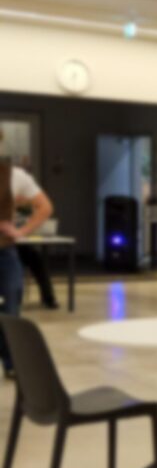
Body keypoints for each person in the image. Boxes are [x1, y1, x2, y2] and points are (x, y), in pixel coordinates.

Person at [0, 157, 54, 377]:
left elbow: (45, 206)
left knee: (11, 309)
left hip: (5, 252)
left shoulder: (14, 176)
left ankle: (12, 365)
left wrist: (21, 231)